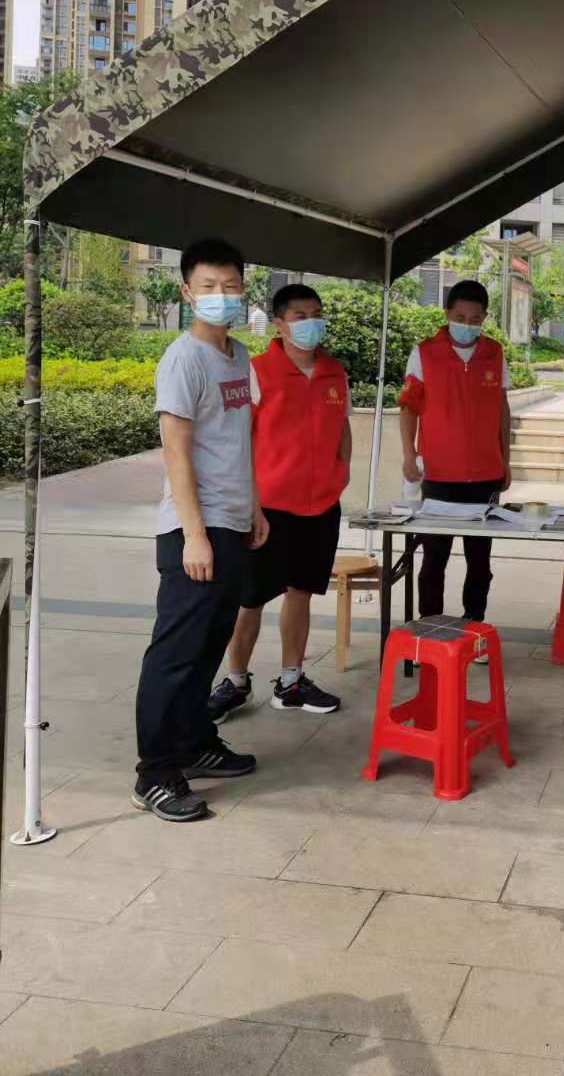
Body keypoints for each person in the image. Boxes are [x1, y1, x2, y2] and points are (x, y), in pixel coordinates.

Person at [132, 238, 267, 823]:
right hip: (195, 528)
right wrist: (193, 534)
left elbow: (240, 440)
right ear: (187, 291)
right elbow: (176, 451)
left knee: (210, 645)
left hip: (232, 521)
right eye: (208, 286)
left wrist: (254, 507)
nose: (220, 295)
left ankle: (192, 742)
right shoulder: (182, 359)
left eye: (230, 286)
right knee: (177, 654)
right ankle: (155, 773)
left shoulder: (238, 356)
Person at [208, 284, 350, 722]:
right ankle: (235, 681)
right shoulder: (256, 371)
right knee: (250, 598)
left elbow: (343, 429)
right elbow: (238, 440)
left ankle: (291, 682)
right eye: (299, 316)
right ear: (279, 323)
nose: (310, 323)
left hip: (320, 506)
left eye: (316, 314)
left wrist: (340, 474)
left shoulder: (334, 373)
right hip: (266, 508)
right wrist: (250, 504)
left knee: (301, 592)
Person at [398, 280, 511, 633]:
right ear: (447, 313)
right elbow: (408, 407)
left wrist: (506, 460)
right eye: (460, 317)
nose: (467, 325)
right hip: (438, 475)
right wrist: (409, 453)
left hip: (485, 474)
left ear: (485, 318)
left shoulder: (494, 352)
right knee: (434, 558)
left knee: (480, 561)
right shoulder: (424, 353)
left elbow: (502, 409)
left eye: (475, 319)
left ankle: (474, 625)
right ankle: (430, 628)